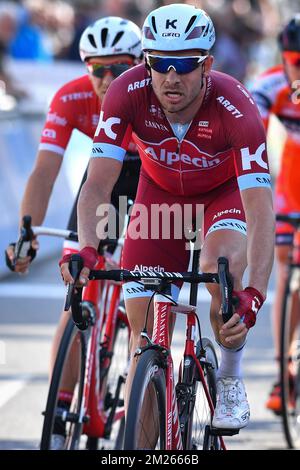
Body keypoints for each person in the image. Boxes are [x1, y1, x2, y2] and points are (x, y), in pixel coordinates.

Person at [60, 3, 275, 438]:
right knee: (144, 344)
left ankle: (230, 377)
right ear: (147, 62)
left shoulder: (237, 108)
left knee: (224, 272)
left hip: (222, 196)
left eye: (184, 65)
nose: (171, 77)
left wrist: (255, 293)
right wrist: (85, 246)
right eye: (160, 63)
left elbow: (259, 209)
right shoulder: (126, 92)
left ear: (207, 66)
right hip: (158, 201)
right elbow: (98, 184)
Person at [5, 16, 142, 448]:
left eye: (117, 68)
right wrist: (27, 232)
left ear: (138, 66)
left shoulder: (150, 98)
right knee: (77, 282)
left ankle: (142, 382)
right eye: (95, 68)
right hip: (101, 179)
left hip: (149, 178)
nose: (106, 79)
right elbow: (45, 171)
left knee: (142, 289)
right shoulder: (73, 96)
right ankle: (63, 400)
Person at [250, 14, 300, 414]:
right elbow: (251, 146)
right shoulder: (269, 86)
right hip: (292, 180)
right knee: (286, 269)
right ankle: (283, 370)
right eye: (295, 62)